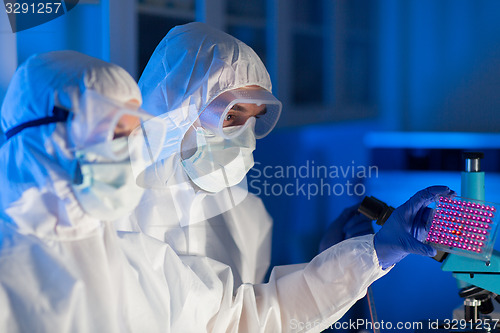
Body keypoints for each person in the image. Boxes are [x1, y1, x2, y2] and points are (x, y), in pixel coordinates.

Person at [126, 21, 456, 332]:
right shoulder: (118, 217)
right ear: (176, 109)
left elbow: (259, 310)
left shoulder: (246, 215)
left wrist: (338, 257)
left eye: (253, 119)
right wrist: (369, 255)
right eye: (231, 116)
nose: (246, 139)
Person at [0, 51, 174, 332]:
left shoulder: (134, 257)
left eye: (133, 136)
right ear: (49, 136)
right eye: (115, 133)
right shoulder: (8, 271)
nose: (129, 154)